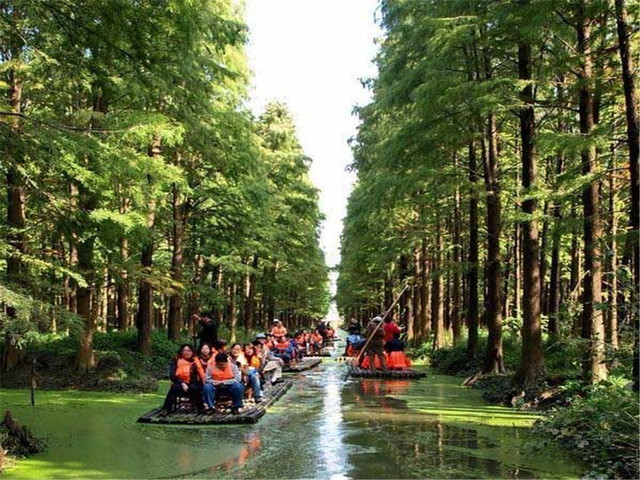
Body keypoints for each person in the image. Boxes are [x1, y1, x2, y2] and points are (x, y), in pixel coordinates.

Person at [158, 344, 203, 417]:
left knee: (194, 388)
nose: (186, 352)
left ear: (192, 352)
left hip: (193, 383)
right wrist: (182, 383)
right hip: (179, 382)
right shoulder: (176, 361)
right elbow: (172, 375)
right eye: (184, 350)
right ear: (181, 352)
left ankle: (200, 408)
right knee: (174, 388)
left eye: (189, 351)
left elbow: (201, 374)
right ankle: (166, 409)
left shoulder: (197, 361)